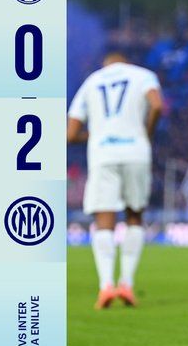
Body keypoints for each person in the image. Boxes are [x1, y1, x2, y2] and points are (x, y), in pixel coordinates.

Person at [67, 52, 163, 308]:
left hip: (103, 154)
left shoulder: (92, 81)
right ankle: (127, 284)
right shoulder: (143, 75)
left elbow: (70, 134)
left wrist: (98, 134)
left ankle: (106, 286)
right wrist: (147, 133)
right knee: (134, 215)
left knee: (104, 219)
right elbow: (157, 105)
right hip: (136, 152)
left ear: (106, 64)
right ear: (126, 61)